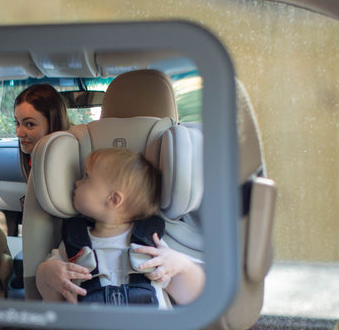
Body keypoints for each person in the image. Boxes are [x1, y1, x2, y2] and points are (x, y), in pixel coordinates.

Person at [35, 147, 205, 307]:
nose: (77, 182)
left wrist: (182, 265)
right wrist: (46, 274)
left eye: (86, 176)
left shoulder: (150, 244)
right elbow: (52, 299)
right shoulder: (75, 242)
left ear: (114, 199)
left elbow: (191, 296)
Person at [14, 84, 72, 181]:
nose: (19, 134)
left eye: (29, 124)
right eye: (17, 123)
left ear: (53, 123)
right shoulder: (36, 159)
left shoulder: (65, 168)